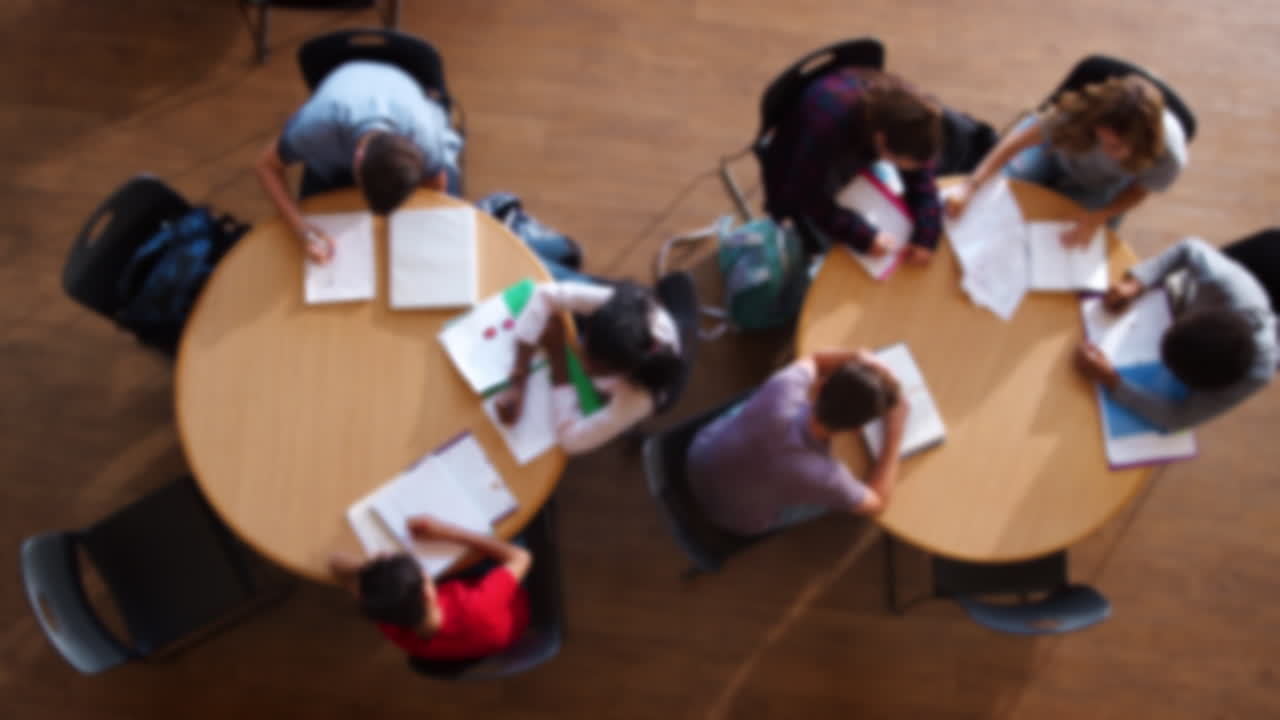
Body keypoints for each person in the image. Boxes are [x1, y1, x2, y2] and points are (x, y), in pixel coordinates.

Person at [255, 59, 464, 264]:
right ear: (357, 159)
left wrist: (423, 229)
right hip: (339, 112)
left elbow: (437, 183)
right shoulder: (317, 128)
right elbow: (266, 166)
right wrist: (301, 228)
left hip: (395, 91)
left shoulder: (424, 137)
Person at [948, 74, 1188, 247]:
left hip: (1099, 184)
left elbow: (1139, 190)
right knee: (997, 195)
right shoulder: (1081, 112)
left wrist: (1102, 215)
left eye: (1116, 147)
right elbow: (1017, 142)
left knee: (1065, 238)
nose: (1106, 151)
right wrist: (971, 185)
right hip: (1051, 151)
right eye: (1101, 138)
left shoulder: (1169, 156)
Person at [686, 350, 909, 536]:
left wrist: (859, 357)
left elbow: (814, 359)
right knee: (825, 501)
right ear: (856, 429)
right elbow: (877, 502)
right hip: (731, 518)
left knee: (758, 401)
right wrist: (894, 434)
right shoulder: (828, 477)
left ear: (821, 386)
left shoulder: (784, 389)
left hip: (699, 456)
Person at [1075, 238, 1277, 431]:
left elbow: (1179, 418)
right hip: (1179, 298)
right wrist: (1136, 283)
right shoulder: (1228, 284)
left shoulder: (1258, 374)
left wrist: (1112, 381)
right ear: (1196, 316)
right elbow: (1189, 247)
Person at [762, 67, 945, 264]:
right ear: (881, 141)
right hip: (796, 162)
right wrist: (863, 236)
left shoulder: (912, 111)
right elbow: (809, 197)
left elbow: (921, 171)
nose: (912, 168)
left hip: (841, 141)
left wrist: (926, 235)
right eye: (899, 163)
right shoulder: (828, 132)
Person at [495, 281, 684, 454]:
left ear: (626, 372)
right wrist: (518, 382)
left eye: (596, 369)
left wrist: (558, 355)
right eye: (586, 348)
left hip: (660, 384)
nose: (583, 366)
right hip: (635, 315)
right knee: (550, 274)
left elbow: (571, 442)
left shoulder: (640, 397)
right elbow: (545, 294)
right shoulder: (618, 309)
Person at [328, 514, 531, 662]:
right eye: (421, 571)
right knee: (512, 529)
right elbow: (521, 557)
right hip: (509, 609)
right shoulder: (478, 604)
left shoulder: (390, 621)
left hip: (471, 628)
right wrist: (446, 531)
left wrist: (370, 568)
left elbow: (335, 563)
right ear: (427, 592)